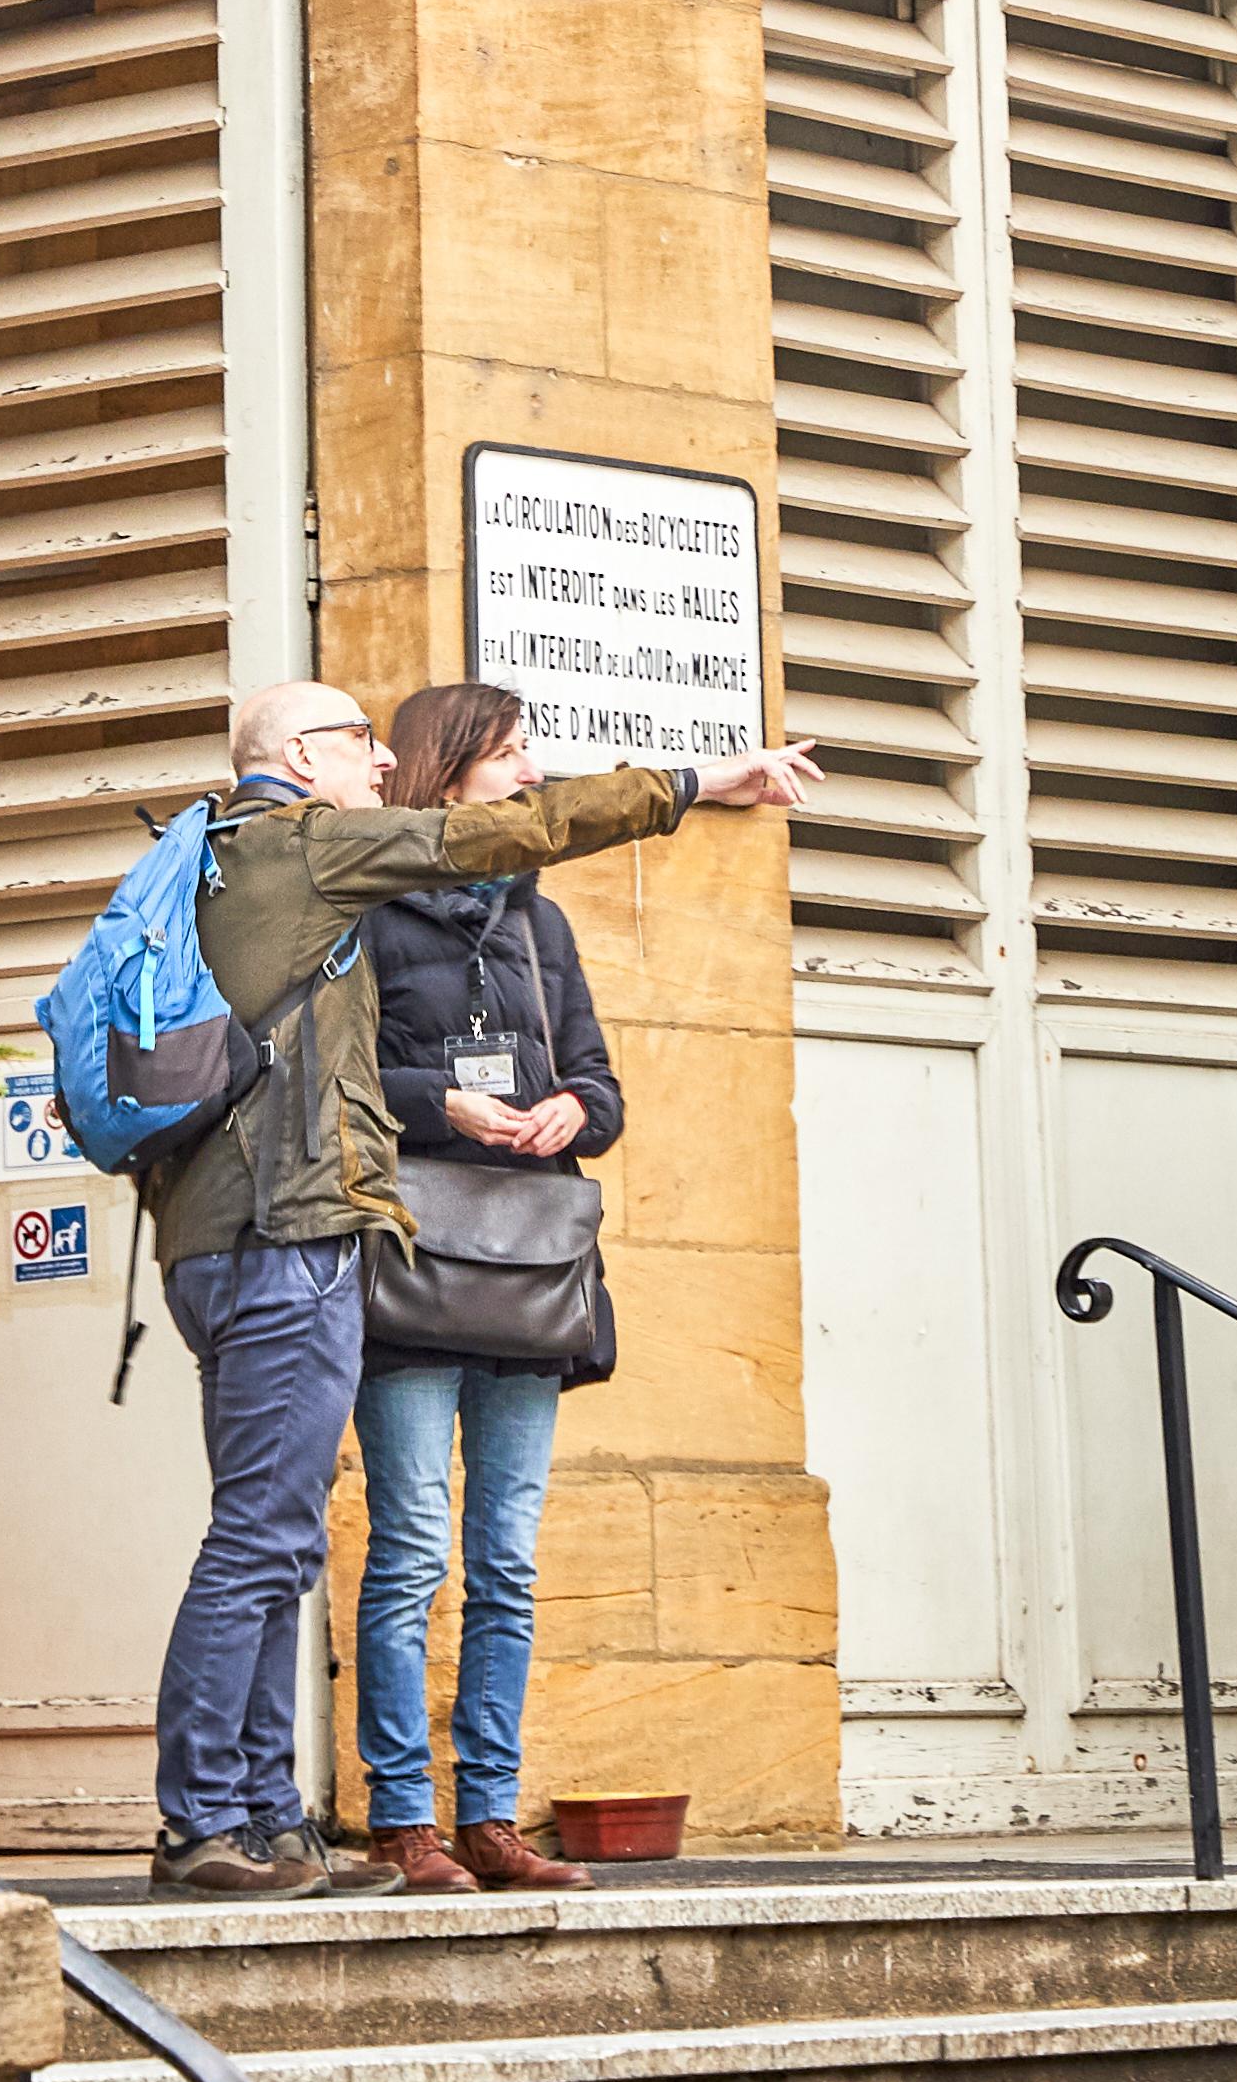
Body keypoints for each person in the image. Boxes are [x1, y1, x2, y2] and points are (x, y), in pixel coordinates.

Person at [143, 677, 813, 1896]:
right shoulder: (303, 845)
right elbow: (497, 832)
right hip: (283, 1232)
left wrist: (557, 1108)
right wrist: (699, 780)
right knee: (266, 1542)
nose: (381, 765)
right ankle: (210, 1823)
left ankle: (260, 1816)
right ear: (300, 755)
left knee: (284, 1539)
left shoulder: (216, 856)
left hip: (241, 1230)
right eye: (359, 743)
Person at [350, 678, 625, 1892]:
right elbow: (340, 1077)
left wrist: (576, 1108)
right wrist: (437, 1102)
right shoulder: (362, 906)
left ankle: (489, 1814)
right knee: (411, 1546)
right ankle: (402, 1814)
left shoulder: (536, 920)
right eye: (510, 751)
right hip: (413, 1260)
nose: (528, 769)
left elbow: (603, 1087)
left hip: (526, 1271)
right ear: (447, 766)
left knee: (506, 1557)